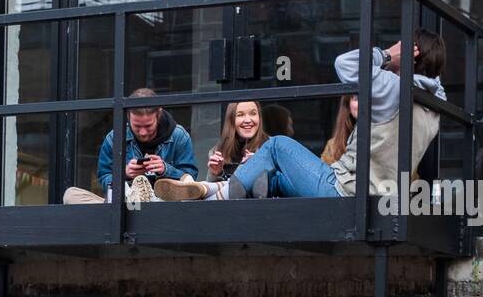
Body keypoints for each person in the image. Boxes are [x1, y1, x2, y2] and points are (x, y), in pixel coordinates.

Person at [154, 30, 447, 202]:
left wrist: (387, 55)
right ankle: (213, 188)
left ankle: (212, 194)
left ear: (411, 56)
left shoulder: (392, 88)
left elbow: (344, 64)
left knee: (277, 145)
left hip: (342, 191)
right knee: (276, 178)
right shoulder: (435, 105)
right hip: (382, 197)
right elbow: (434, 83)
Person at [62, 88, 199, 205]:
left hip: (164, 205)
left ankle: (145, 203)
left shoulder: (179, 136)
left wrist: (165, 170)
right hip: (125, 206)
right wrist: (125, 174)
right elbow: (104, 177)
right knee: (71, 194)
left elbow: (191, 179)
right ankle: (135, 202)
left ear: (159, 115)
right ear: (128, 117)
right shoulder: (114, 138)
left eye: (148, 126)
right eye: (137, 126)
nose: (143, 132)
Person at [204, 100, 269, 183]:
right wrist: (215, 173)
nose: (248, 120)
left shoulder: (272, 147)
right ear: (231, 120)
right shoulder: (218, 150)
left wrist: (258, 166)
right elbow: (213, 190)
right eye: (240, 115)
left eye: (253, 113)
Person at [320, 94, 358, 164]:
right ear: (348, 105)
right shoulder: (333, 145)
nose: (363, 102)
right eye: (356, 98)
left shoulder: (382, 137)